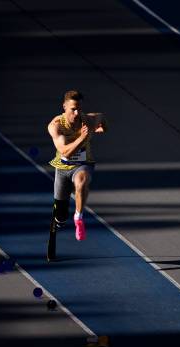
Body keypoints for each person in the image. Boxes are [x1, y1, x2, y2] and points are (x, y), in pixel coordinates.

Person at [47, 90, 107, 241]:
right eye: (73, 109)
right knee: (61, 216)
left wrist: (102, 128)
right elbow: (65, 152)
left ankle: (78, 218)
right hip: (62, 168)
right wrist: (82, 138)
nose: (76, 112)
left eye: (79, 108)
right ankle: (59, 221)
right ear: (64, 107)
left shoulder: (88, 120)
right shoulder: (56, 126)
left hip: (83, 164)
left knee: (81, 182)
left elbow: (101, 117)